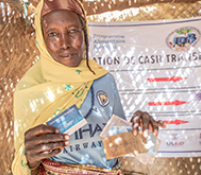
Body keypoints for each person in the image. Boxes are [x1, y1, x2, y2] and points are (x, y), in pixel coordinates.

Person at [12, 0, 165, 174]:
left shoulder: (104, 80)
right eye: (53, 34)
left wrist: (140, 130)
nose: (64, 43)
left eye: (72, 31)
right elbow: (22, 163)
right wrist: (29, 158)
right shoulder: (30, 92)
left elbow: (116, 145)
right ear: (41, 38)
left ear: (85, 33)